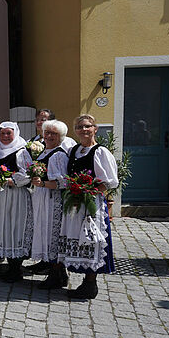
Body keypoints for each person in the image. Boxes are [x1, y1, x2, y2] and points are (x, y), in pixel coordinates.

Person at [55, 114, 118, 299]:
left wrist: (88, 192)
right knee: (77, 238)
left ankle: (91, 283)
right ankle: (81, 279)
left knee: (91, 239)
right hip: (75, 203)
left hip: (92, 203)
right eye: (80, 127)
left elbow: (109, 181)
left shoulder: (100, 152)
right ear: (75, 131)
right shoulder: (75, 150)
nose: (84, 130)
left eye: (87, 126)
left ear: (95, 129)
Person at [0, 122, 34, 282]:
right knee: (3, 228)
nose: (5, 137)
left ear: (15, 133)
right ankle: (9, 264)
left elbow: (27, 175)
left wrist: (9, 180)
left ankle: (16, 268)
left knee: (14, 227)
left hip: (15, 196)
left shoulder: (21, 152)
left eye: (9, 133)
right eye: (3, 133)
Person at [29, 120, 70, 288]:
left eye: (54, 134)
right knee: (45, 233)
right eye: (47, 133)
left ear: (61, 137)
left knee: (53, 234)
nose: (49, 136)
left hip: (53, 200)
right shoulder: (45, 152)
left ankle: (57, 274)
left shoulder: (59, 155)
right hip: (42, 197)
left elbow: (63, 182)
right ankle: (56, 273)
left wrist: (43, 184)